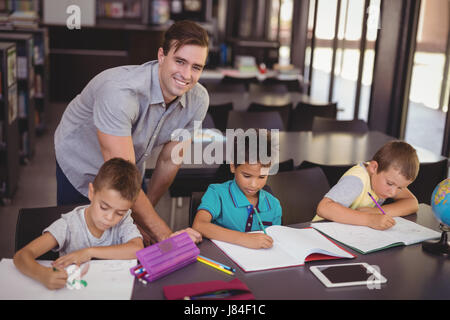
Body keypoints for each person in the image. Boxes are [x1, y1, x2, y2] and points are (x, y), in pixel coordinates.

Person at [54, 20, 209, 244]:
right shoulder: (119, 92)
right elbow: (119, 174)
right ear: (162, 56)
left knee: (130, 236)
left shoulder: (199, 100)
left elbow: (169, 160)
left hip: (130, 164)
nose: (187, 75)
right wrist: (164, 235)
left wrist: (142, 220)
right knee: (78, 241)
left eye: (196, 67)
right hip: (80, 162)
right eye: (180, 61)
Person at [13, 158, 144, 290]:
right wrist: (43, 275)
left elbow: (137, 249)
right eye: (104, 207)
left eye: (119, 213)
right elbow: (21, 256)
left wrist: (89, 252)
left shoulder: (124, 220)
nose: (109, 218)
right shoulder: (68, 225)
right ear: (91, 193)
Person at [192, 130, 282, 249]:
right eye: (247, 176)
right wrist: (244, 239)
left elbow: (276, 240)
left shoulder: (274, 205)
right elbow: (199, 225)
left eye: (262, 177)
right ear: (233, 166)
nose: (254, 185)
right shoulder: (217, 193)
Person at [316, 140, 420, 230]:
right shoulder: (357, 181)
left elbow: (412, 203)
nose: (393, 193)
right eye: (389, 184)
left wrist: (377, 212)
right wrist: (369, 219)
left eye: (400, 188)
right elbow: (324, 208)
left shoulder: (388, 180)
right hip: (322, 230)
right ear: (374, 168)